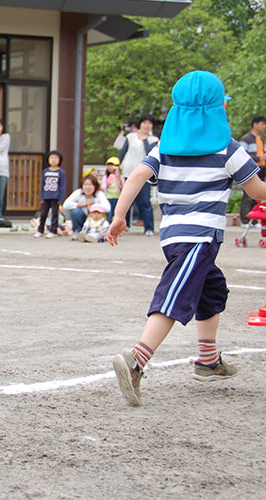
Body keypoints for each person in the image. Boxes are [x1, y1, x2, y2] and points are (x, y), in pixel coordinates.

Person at [107, 70, 266, 407]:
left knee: (212, 289)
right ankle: (137, 360)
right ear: (218, 107)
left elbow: (136, 175)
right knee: (174, 296)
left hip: (173, 237)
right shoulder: (227, 147)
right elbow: (255, 189)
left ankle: (207, 360)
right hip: (202, 238)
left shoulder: (166, 146)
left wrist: (120, 215)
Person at [118, 115, 158, 236]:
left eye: (149, 123)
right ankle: (125, 225)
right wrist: (116, 164)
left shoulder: (154, 140)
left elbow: (149, 153)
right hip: (128, 172)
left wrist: (145, 139)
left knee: (145, 202)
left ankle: (149, 228)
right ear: (140, 124)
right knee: (127, 200)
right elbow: (123, 151)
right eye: (144, 123)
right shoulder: (130, 137)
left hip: (144, 174)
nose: (146, 126)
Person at [62, 174, 111, 239]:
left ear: (95, 186)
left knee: (107, 212)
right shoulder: (78, 193)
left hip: (97, 221)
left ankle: (102, 233)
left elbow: (107, 208)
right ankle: (79, 232)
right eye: (85, 185)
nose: (88, 187)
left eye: (90, 185)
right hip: (83, 219)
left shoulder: (99, 194)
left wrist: (94, 207)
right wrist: (83, 204)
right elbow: (66, 205)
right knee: (75, 211)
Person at [239, 115, 266, 223]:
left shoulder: (261, 139)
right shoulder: (246, 139)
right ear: (255, 124)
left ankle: (254, 220)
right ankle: (245, 219)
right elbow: (241, 155)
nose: (264, 126)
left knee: (258, 196)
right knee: (248, 195)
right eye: (262, 124)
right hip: (250, 170)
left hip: (261, 169)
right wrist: (259, 158)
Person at [35, 150, 66, 238]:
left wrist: (61, 199)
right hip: (46, 196)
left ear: (60, 160)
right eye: (51, 158)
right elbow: (42, 185)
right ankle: (40, 230)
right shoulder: (45, 171)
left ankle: (53, 231)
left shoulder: (61, 172)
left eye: (56, 158)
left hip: (55, 197)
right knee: (43, 214)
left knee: (55, 214)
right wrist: (41, 196)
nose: (53, 160)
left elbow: (62, 186)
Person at [101, 156, 124, 221]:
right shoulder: (106, 177)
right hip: (108, 197)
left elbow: (123, 186)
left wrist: (119, 179)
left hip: (117, 197)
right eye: (109, 166)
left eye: (112, 166)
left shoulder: (120, 176)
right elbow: (103, 187)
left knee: (116, 211)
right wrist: (108, 183)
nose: (110, 168)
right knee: (109, 211)